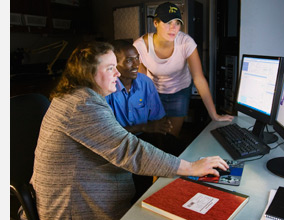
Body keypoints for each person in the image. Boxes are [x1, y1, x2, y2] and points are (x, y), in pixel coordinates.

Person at [30, 41, 229, 220]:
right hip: (75, 208)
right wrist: (190, 168)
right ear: (87, 73)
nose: (117, 74)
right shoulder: (83, 105)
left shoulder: (81, 97)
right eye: (110, 68)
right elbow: (129, 150)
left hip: (90, 192)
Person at [133, 2, 234, 137]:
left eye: (177, 23)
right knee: (156, 134)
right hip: (154, 92)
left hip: (179, 90)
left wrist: (214, 115)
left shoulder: (186, 42)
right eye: (168, 22)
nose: (173, 28)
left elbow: (199, 78)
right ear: (155, 23)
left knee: (172, 135)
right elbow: (141, 82)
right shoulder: (141, 46)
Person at [105, 40, 186, 203]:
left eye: (137, 58)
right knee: (139, 179)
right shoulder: (107, 89)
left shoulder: (145, 83)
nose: (136, 64)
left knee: (181, 151)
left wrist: (161, 129)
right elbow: (109, 135)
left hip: (145, 136)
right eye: (129, 60)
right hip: (118, 144)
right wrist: (146, 126)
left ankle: (178, 195)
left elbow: (158, 120)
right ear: (114, 65)